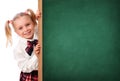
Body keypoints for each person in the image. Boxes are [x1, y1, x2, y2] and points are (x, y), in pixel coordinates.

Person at [5, 9, 41, 81]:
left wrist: (39, 18)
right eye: (20, 28)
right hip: (31, 76)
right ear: (16, 32)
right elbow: (24, 67)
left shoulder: (37, 32)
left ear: (33, 23)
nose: (26, 29)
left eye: (28, 24)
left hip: (44, 71)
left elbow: (40, 26)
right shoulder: (18, 49)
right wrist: (36, 56)